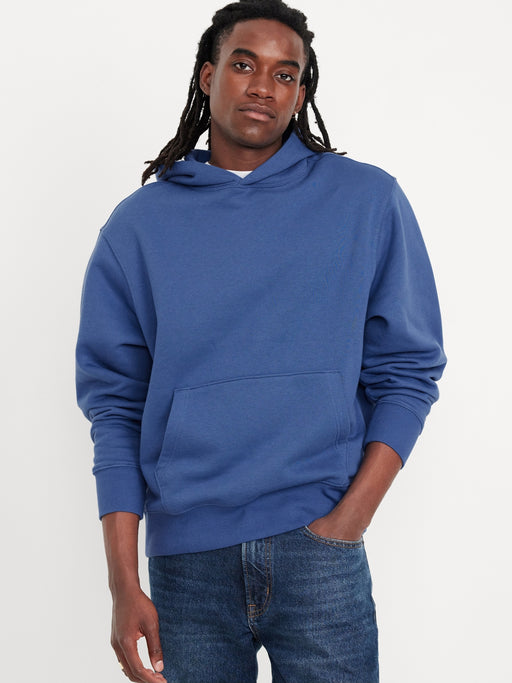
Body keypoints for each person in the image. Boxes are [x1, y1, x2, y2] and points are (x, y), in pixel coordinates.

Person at [75, 1, 446, 681]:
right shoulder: (137, 228)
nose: (263, 87)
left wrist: (349, 520)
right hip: (187, 563)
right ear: (207, 76)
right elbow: (116, 409)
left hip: (320, 547)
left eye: (285, 73)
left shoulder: (366, 200)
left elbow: (409, 370)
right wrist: (123, 584)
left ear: (301, 93)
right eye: (244, 65)